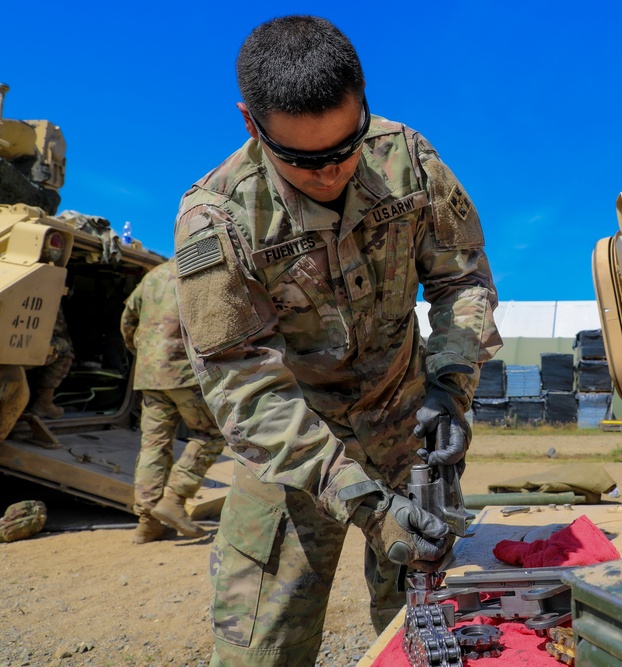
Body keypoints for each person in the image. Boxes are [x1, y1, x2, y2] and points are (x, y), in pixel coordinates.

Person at [173, 15, 501, 665]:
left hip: (410, 436)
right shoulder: (216, 217)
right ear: (251, 123)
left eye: (344, 147)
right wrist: (368, 505)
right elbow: (245, 390)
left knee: (429, 635)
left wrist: (449, 383)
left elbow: (463, 279)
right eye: (300, 159)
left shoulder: (409, 160)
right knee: (262, 647)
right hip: (291, 455)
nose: (328, 174)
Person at [121, 260, 226, 544]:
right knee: (212, 433)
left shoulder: (152, 275)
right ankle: (175, 499)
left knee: (154, 444)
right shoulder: (202, 271)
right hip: (185, 373)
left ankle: (147, 523)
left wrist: (144, 354)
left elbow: (128, 320)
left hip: (150, 373)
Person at [27, 305, 73, 419]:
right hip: (20, 350)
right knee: (66, 350)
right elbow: (58, 328)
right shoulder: (47, 289)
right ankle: (44, 403)